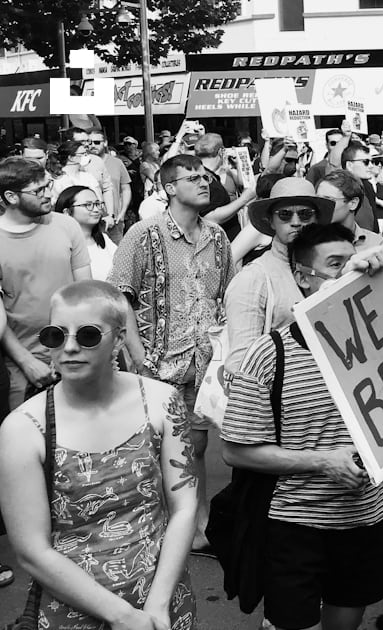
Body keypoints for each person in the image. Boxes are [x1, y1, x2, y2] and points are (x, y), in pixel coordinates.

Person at [222, 224, 383, 630]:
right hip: (293, 527)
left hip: (363, 520)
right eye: (336, 265)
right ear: (302, 277)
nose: (350, 272)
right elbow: (235, 450)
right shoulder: (269, 354)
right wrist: (323, 462)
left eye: (356, 263)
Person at [0, 280, 197, 629]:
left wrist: (157, 606)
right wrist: (124, 617)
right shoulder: (24, 428)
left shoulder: (161, 402)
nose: (69, 347)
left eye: (88, 335)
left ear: (119, 339)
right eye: (55, 335)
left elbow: (184, 506)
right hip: (74, 610)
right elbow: (32, 551)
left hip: (164, 603)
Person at [109, 154, 233, 555]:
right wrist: (139, 355)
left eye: (204, 176)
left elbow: (225, 294)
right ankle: (151, 530)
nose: (203, 182)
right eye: (192, 177)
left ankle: (198, 527)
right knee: (152, 450)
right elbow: (120, 296)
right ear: (169, 188)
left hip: (203, 363)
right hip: (158, 364)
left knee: (196, 447)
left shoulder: (217, 236)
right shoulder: (143, 233)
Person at [0, 158, 93, 413]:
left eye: (48, 185)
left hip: (76, 351)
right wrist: (26, 362)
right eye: (38, 190)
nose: (49, 194)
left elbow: (86, 293)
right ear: (11, 197)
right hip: (21, 362)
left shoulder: (66, 225)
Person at [223, 178, 335, 377]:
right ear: (271, 221)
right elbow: (241, 366)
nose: (296, 222)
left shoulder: (331, 267)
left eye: (305, 214)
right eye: (285, 214)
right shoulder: (253, 279)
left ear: (316, 219)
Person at [55, 185, 117, 281]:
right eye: (88, 205)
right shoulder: (60, 248)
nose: (96, 210)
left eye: (97, 204)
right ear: (67, 212)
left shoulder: (104, 239)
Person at [87, 130, 133, 242]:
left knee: (117, 252)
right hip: (91, 219)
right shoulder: (84, 162)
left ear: (105, 143)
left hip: (115, 220)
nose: (93, 145)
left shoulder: (117, 162)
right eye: (89, 142)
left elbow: (125, 189)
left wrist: (122, 213)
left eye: (97, 142)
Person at [49, 140, 104, 205]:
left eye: (86, 153)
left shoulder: (88, 177)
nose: (86, 156)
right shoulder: (57, 180)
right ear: (71, 158)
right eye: (83, 154)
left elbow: (100, 200)